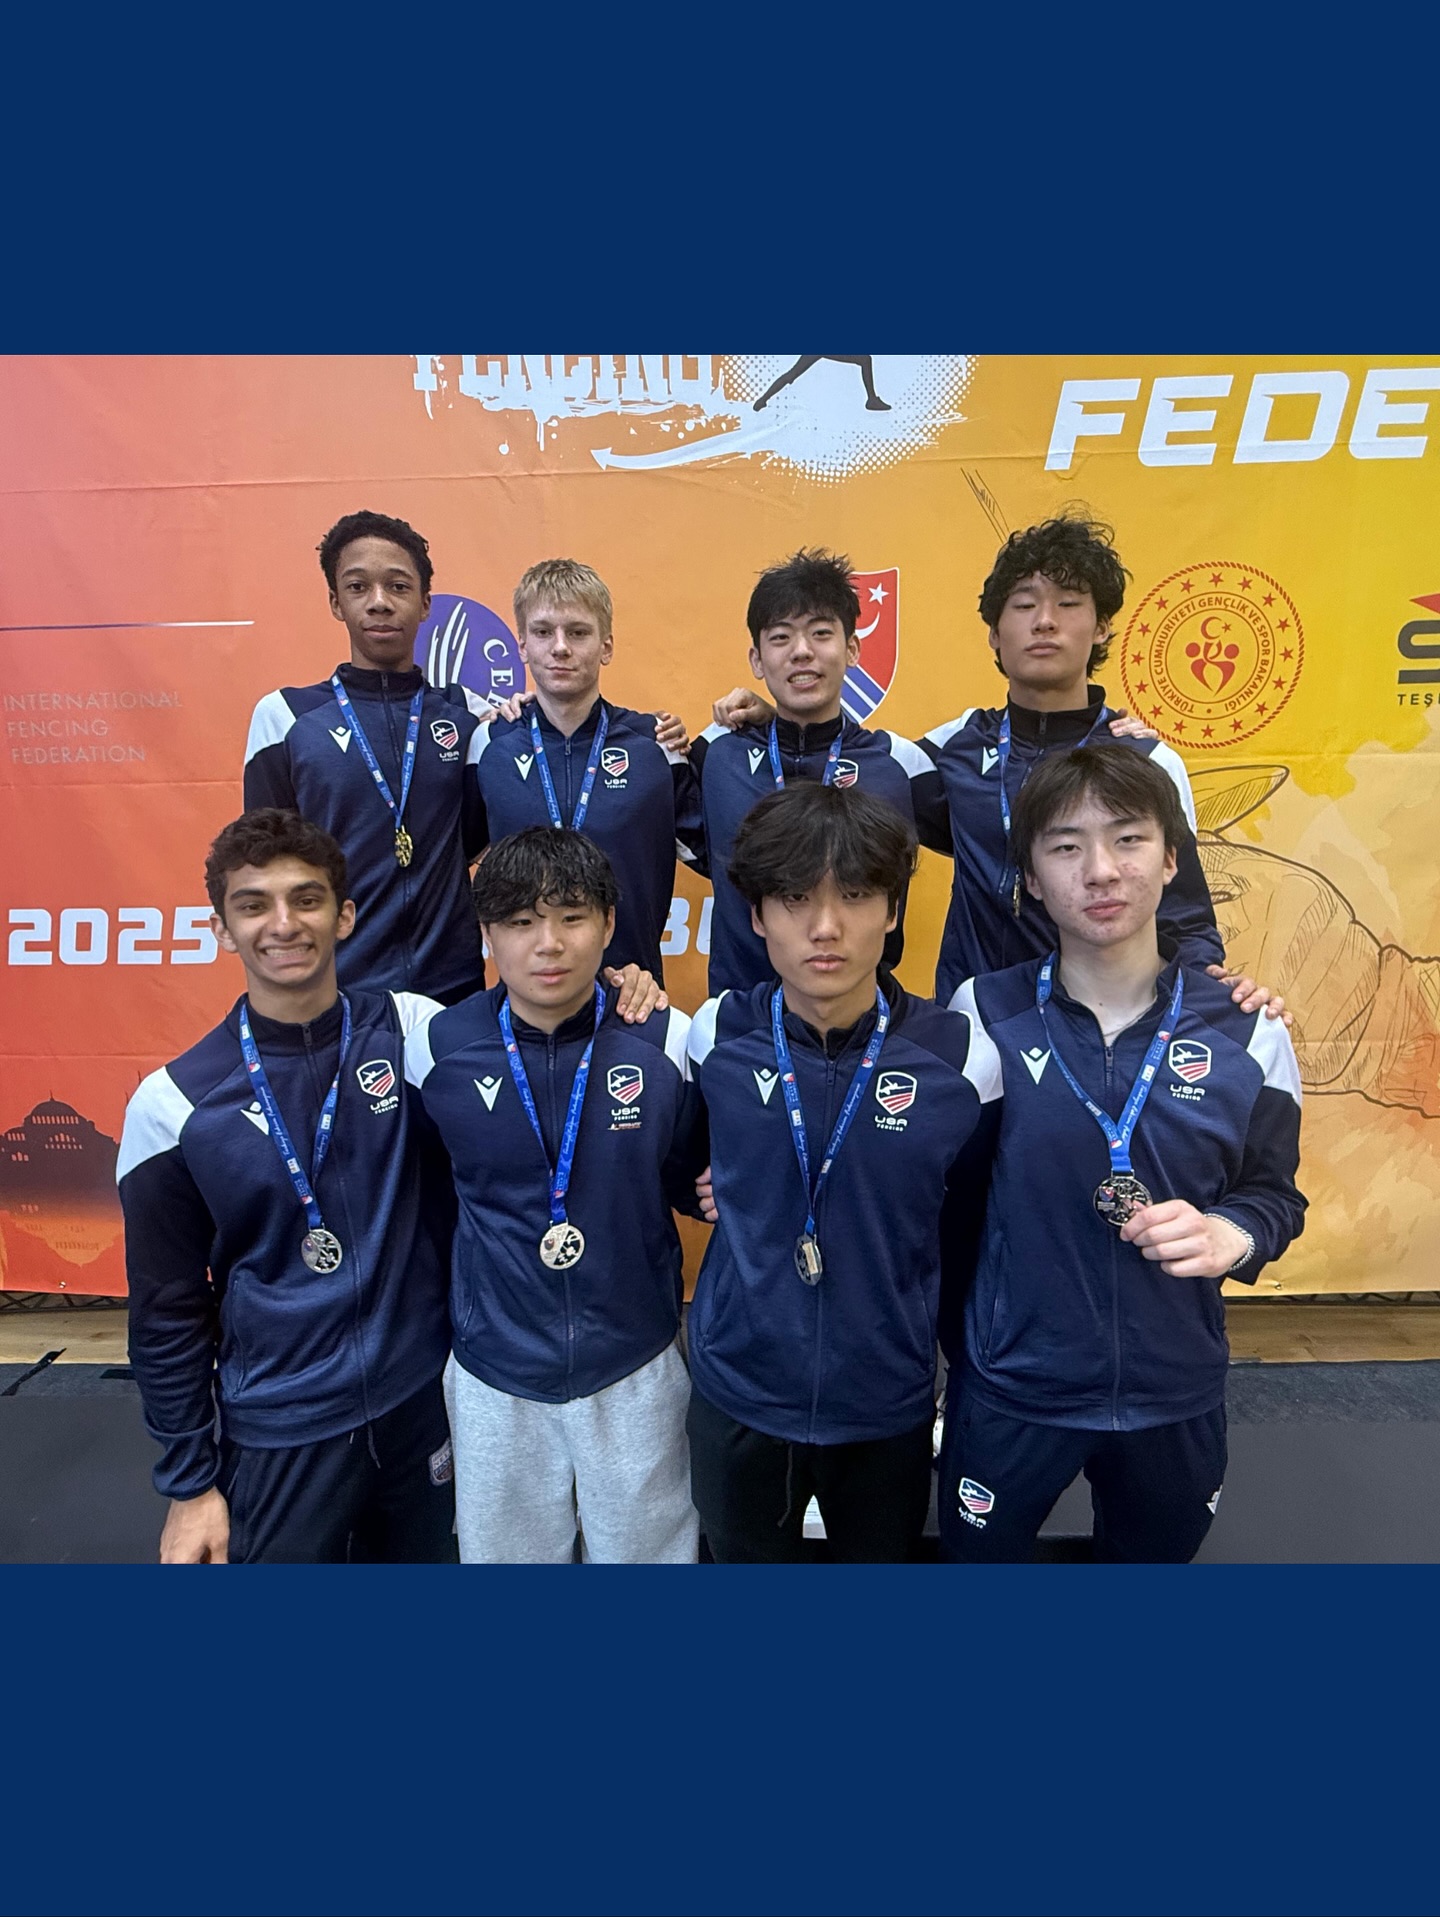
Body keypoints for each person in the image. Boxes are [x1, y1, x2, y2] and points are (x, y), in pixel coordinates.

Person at [937, 746, 1307, 1564]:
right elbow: (948, 1201)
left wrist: (1232, 1234)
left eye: (1129, 839)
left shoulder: (1249, 1029)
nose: (1101, 870)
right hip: (1013, 1386)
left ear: (1172, 858)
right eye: (1066, 846)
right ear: (1032, 879)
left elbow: (1275, 1195)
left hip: (1174, 1388)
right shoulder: (983, 1014)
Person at [710, 515, 1282, 1021]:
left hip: (1109, 1025)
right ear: (994, 633)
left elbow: (1186, 919)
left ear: (1102, 627)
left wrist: (1214, 997)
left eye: (1068, 603)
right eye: (1025, 606)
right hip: (979, 1019)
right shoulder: (953, 748)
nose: (1045, 622)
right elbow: (844, 780)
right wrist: (780, 720)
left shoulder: (1145, 760)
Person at [116, 809, 456, 1563]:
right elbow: (166, 1313)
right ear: (221, 928)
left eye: (306, 899)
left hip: (420, 1404)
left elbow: (538, 1056)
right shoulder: (173, 1107)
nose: (283, 924)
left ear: (345, 915)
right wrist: (190, 1485)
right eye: (253, 905)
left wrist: (628, 988)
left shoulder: (412, 1033)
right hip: (280, 1430)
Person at [685, 782, 998, 1563]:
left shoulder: (961, 1055)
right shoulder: (715, 1034)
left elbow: (977, 1224)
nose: (825, 927)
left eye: (855, 895)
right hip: (740, 1392)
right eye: (796, 898)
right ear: (757, 915)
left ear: (892, 911)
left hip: (884, 1398)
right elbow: (678, 1168)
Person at [403, 828, 706, 1564]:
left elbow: (690, 1177)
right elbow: (421, 1194)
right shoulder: (435, 1048)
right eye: (520, 921)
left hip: (633, 1365)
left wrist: (723, 1187)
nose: (549, 943)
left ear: (608, 924)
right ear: (486, 934)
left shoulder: (666, 1040)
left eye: (572, 917)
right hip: (494, 1373)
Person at [242, 510, 490, 1003]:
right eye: (358, 587)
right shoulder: (285, 717)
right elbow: (268, 865)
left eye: (398, 587)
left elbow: (479, 837)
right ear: (336, 602)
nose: (379, 602)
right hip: (337, 991)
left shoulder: (471, 715)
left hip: (455, 990)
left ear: (425, 603)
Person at [688, 548, 939, 995]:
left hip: (863, 1017)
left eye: (821, 633)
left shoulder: (898, 765)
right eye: (781, 637)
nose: (802, 652)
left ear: (852, 649)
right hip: (742, 1017)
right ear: (757, 660)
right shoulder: (717, 755)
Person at [473, 558, 704, 981]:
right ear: (522, 645)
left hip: (632, 993)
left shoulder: (656, 745)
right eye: (543, 632)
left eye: (578, 632)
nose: (560, 647)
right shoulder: (489, 744)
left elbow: (721, 855)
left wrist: (749, 727)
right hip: (526, 998)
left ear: (606, 646)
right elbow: (440, 860)